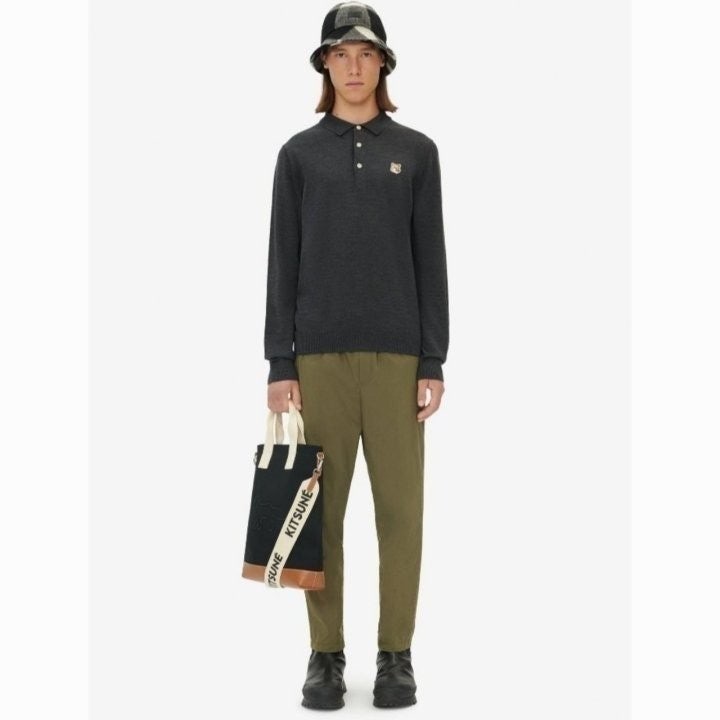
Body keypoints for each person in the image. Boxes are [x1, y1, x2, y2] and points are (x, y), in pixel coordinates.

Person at [263, 2, 449, 710]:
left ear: (383, 64)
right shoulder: (298, 155)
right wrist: (281, 362)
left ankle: (396, 655)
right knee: (319, 515)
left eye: (365, 54)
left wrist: (432, 359)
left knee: (401, 514)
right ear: (324, 65)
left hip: (399, 360)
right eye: (339, 54)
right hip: (318, 362)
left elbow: (430, 259)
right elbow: (282, 262)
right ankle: (325, 656)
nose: (352, 66)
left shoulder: (418, 152)